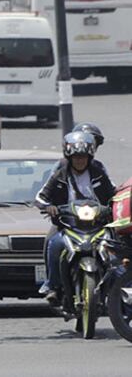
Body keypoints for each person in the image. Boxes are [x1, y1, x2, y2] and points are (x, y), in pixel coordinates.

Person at [34, 129, 116, 305]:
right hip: (68, 224)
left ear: (89, 157)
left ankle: (118, 287)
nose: (80, 160)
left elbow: (113, 195)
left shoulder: (99, 172)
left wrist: (112, 208)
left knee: (116, 246)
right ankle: (52, 286)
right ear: (69, 157)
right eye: (76, 157)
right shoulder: (60, 174)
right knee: (54, 244)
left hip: (97, 224)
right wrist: (50, 207)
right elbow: (41, 197)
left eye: (83, 157)